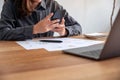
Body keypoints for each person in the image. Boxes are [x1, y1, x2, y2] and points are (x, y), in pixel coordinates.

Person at [0, 0, 82, 40]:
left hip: (45, 55)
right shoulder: (10, 4)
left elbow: (78, 27)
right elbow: (2, 33)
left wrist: (64, 31)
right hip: (18, 55)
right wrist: (34, 29)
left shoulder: (53, 5)